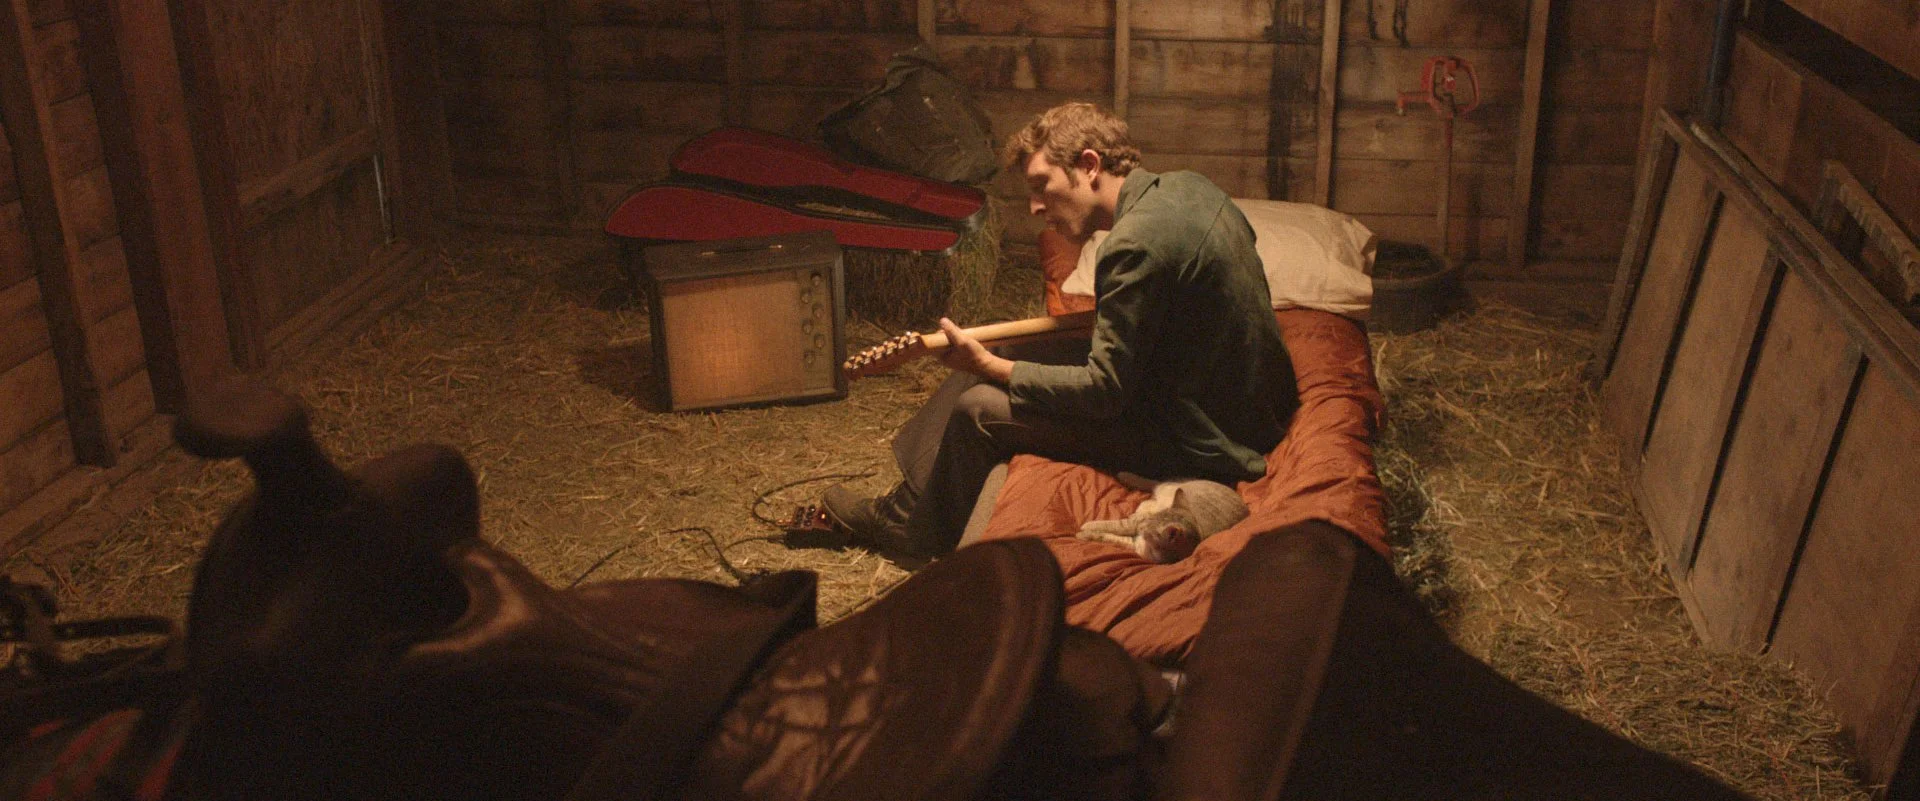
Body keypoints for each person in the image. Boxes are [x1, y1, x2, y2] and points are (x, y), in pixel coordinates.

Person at [823, 101, 1301, 559]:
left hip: (1207, 437)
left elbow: (1104, 392)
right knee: (1010, 344)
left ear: (1089, 164)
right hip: (1239, 401)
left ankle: (917, 534)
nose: (1034, 207)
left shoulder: (1132, 244)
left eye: (1041, 185)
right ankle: (908, 504)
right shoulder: (1190, 187)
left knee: (977, 408)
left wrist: (993, 367)